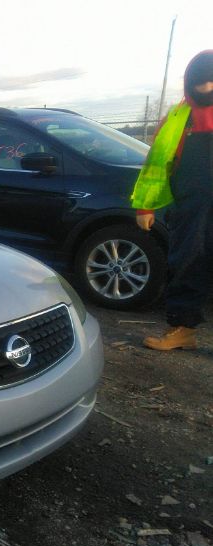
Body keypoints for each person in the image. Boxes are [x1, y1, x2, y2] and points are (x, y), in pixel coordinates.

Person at [133, 50, 213, 351]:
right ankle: (182, 328)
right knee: (187, 263)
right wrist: (145, 206)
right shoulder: (178, 118)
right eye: (199, 84)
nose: (206, 90)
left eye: (211, 83)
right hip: (191, 206)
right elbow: (156, 165)